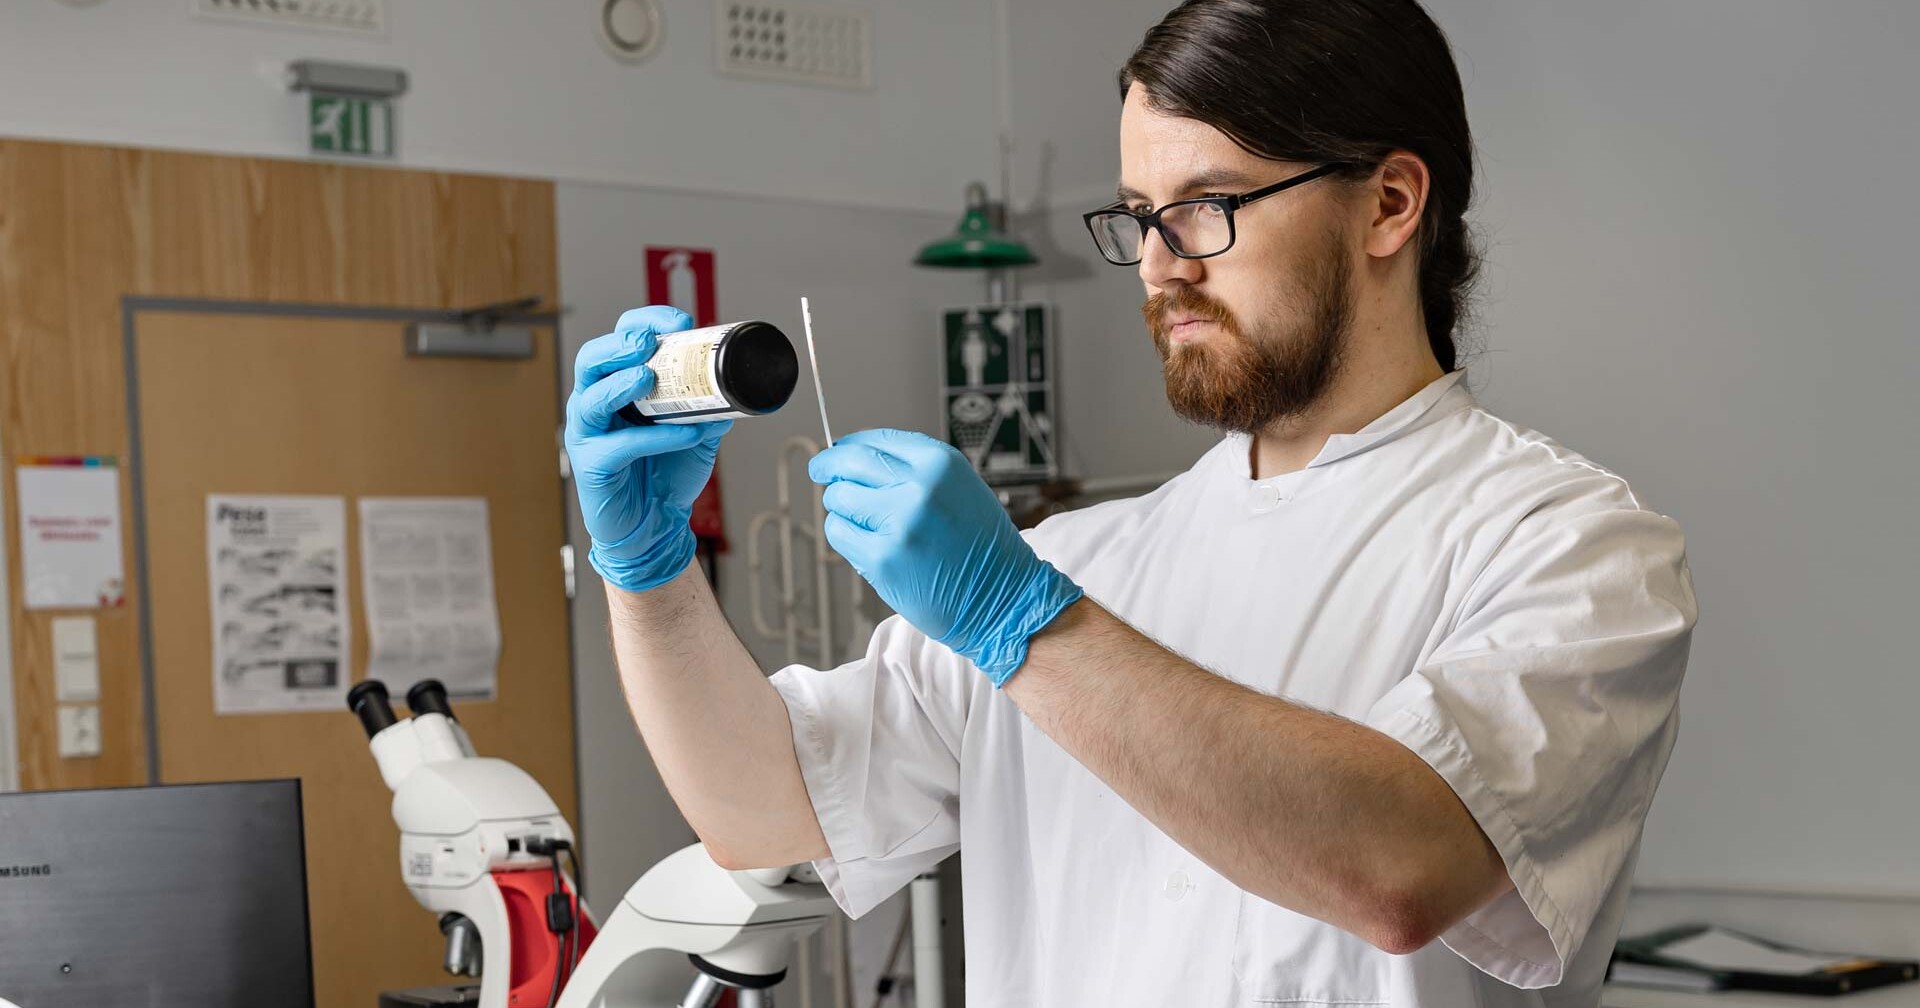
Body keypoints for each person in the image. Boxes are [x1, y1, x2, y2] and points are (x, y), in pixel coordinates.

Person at [562, 0, 1696, 1003]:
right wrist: (650, 570)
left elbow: (1404, 869)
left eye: (1208, 205)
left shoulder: (1574, 550)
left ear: (1389, 204)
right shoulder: (1080, 561)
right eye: (1140, 216)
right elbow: (764, 811)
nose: (1160, 266)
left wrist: (1024, 625)